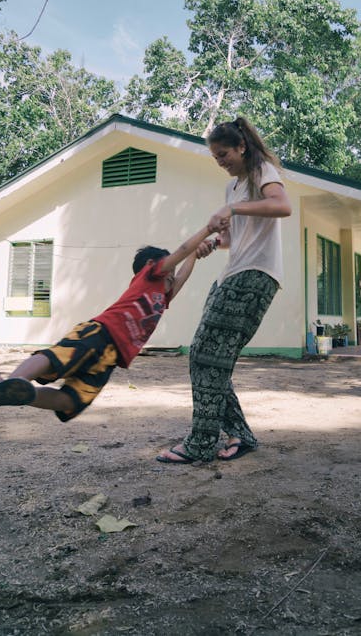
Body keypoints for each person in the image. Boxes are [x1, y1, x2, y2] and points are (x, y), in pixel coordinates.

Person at [0, 222, 221, 420]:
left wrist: (196, 257)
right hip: (99, 333)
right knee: (56, 358)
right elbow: (184, 250)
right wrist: (206, 231)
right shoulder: (150, 275)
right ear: (153, 263)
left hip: (111, 358)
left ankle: (17, 392)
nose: (173, 273)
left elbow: (184, 272)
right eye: (170, 268)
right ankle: (10, 380)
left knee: (71, 401)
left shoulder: (163, 296)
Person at [156, 117, 292, 464]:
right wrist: (213, 243)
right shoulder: (231, 189)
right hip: (232, 273)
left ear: (241, 147)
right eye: (216, 157)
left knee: (205, 355)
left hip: (256, 275)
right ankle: (240, 436)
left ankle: (202, 443)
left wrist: (231, 208)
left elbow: (282, 206)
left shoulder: (261, 172)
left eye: (224, 154)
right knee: (209, 359)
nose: (221, 162)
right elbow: (233, 239)